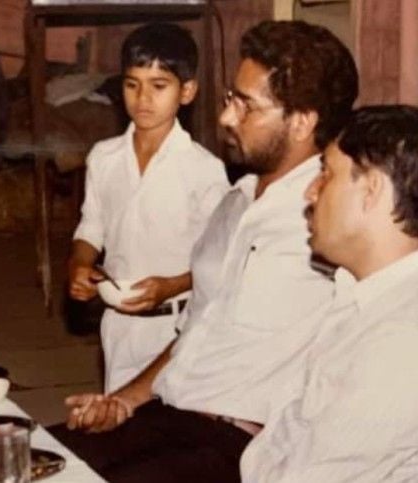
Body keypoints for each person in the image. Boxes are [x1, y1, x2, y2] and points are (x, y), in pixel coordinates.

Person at [50, 20, 358, 482]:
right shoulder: (237, 200)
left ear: (301, 121)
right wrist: (125, 400)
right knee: (25, 458)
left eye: (246, 105)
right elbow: (197, 326)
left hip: (239, 442)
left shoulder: (331, 220)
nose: (226, 117)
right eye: (231, 98)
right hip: (170, 409)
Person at [241, 105, 418, 482]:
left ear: (371, 190)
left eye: (326, 174)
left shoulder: (402, 339)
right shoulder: (363, 295)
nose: (310, 191)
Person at [68, 22, 229, 392]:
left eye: (158, 86)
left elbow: (222, 260)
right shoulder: (104, 158)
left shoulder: (203, 169)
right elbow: (92, 227)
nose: (143, 98)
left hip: (179, 326)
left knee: (171, 421)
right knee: (120, 414)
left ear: (186, 91)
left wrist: (172, 286)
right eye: (132, 84)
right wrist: (79, 263)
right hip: (118, 324)